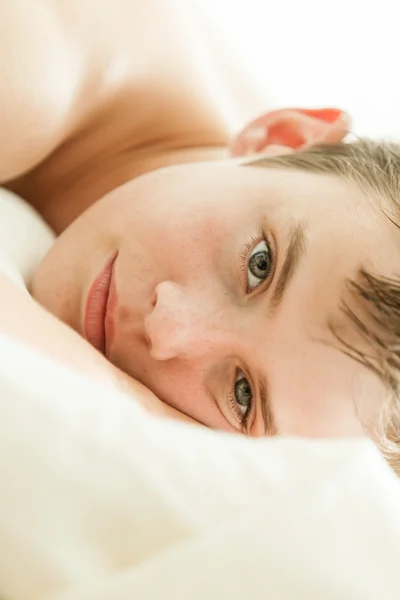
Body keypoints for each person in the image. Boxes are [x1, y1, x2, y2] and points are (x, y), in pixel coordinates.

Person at [1, 0, 400, 472]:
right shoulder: (36, 66)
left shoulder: (281, 190)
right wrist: (130, 405)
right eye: (259, 265)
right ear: (282, 138)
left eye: (243, 394)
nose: (167, 326)